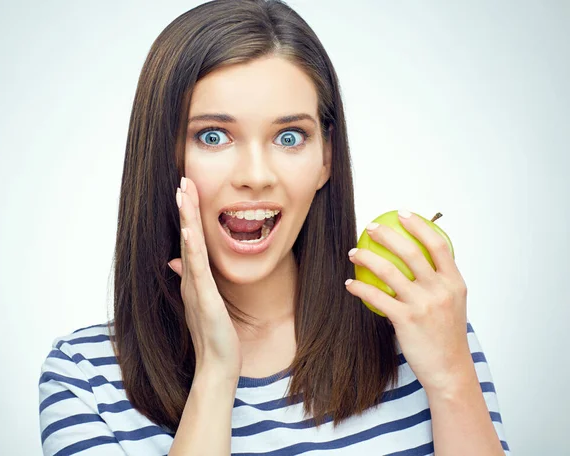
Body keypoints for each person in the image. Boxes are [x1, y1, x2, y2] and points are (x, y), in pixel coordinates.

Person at [38, 0, 511, 454]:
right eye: (213, 136)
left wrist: (450, 377)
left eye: (289, 137)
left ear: (326, 157)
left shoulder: (422, 330)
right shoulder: (84, 378)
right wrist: (217, 374)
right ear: (163, 155)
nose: (257, 175)